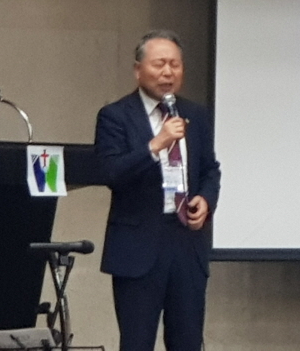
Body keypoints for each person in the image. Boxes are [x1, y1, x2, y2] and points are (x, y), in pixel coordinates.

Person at [95, 30, 221, 351]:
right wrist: (156, 144)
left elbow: (210, 169)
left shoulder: (196, 115)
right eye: (159, 64)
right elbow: (110, 172)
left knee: (187, 341)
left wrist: (206, 200)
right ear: (138, 70)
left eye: (175, 65)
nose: (168, 72)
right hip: (138, 248)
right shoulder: (115, 116)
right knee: (137, 343)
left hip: (187, 244)